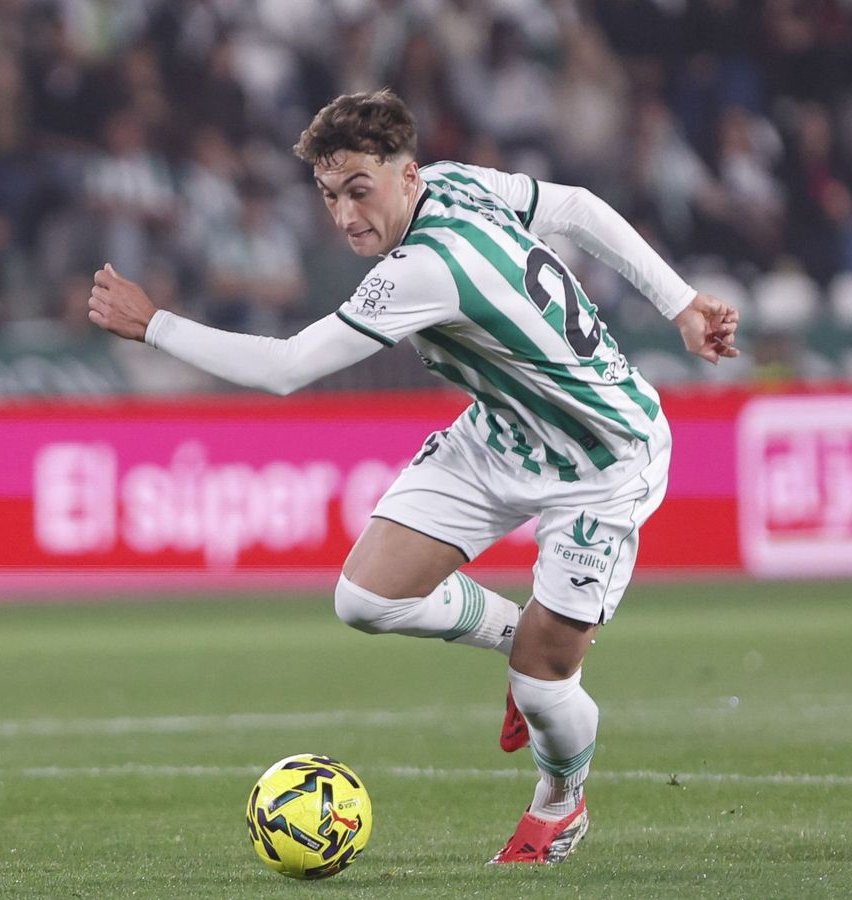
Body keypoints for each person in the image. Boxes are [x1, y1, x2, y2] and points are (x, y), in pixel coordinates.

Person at [87, 90, 740, 865]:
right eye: (329, 194)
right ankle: (523, 640)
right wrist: (680, 303)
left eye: (358, 190)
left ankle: (560, 800)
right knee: (366, 598)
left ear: (405, 175)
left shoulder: (422, 270)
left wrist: (155, 325)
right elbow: (576, 207)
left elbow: (287, 367)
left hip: (603, 460)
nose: (344, 215)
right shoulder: (456, 181)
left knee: (545, 684)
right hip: (502, 433)